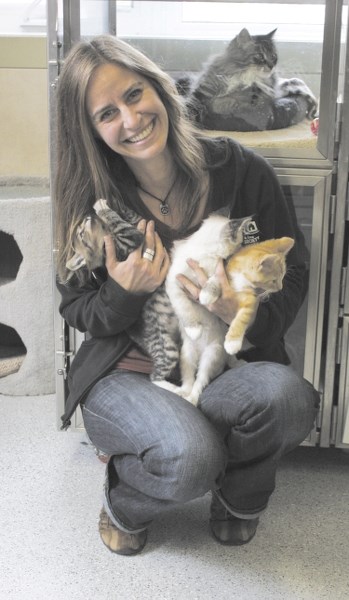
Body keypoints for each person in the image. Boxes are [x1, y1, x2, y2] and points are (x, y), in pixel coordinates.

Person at [54, 35, 319, 556]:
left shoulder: (241, 171)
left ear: (158, 87)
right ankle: (127, 501)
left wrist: (238, 312)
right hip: (126, 375)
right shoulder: (91, 201)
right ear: (90, 130)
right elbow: (75, 307)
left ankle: (238, 497)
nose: (130, 120)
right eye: (107, 113)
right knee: (187, 458)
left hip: (220, 363)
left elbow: (296, 272)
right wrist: (123, 295)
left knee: (289, 399)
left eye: (134, 95)